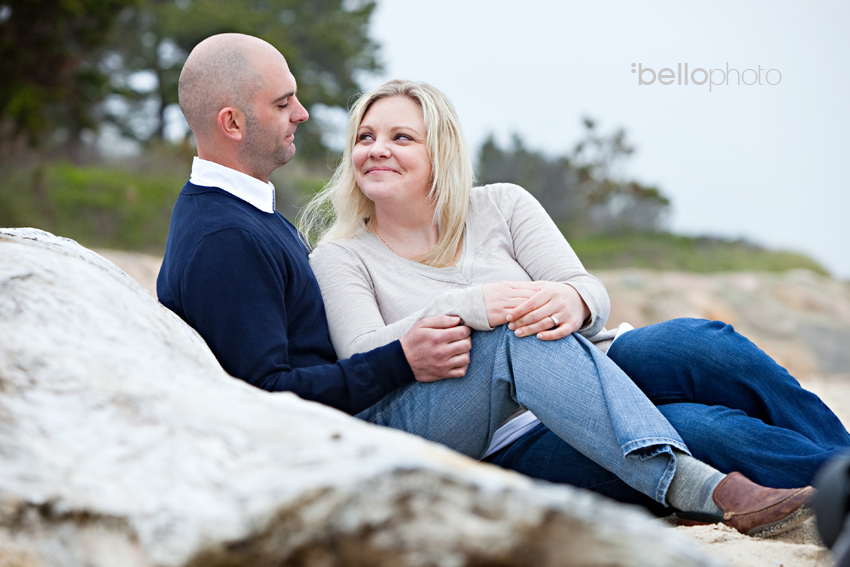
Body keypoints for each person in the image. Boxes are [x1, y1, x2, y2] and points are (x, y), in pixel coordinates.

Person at [303, 79, 850, 534]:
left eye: (401, 137)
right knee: (703, 430)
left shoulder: (503, 205)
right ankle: (708, 486)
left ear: (439, 150)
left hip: (591, 366)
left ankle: (841, 463)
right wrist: (471, 305)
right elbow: (361, 357)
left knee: (704, 345)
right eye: (365, 136)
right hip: (494, 436)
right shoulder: (341, 256)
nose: (377, 148)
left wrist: (571, 298)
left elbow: (587, 291)